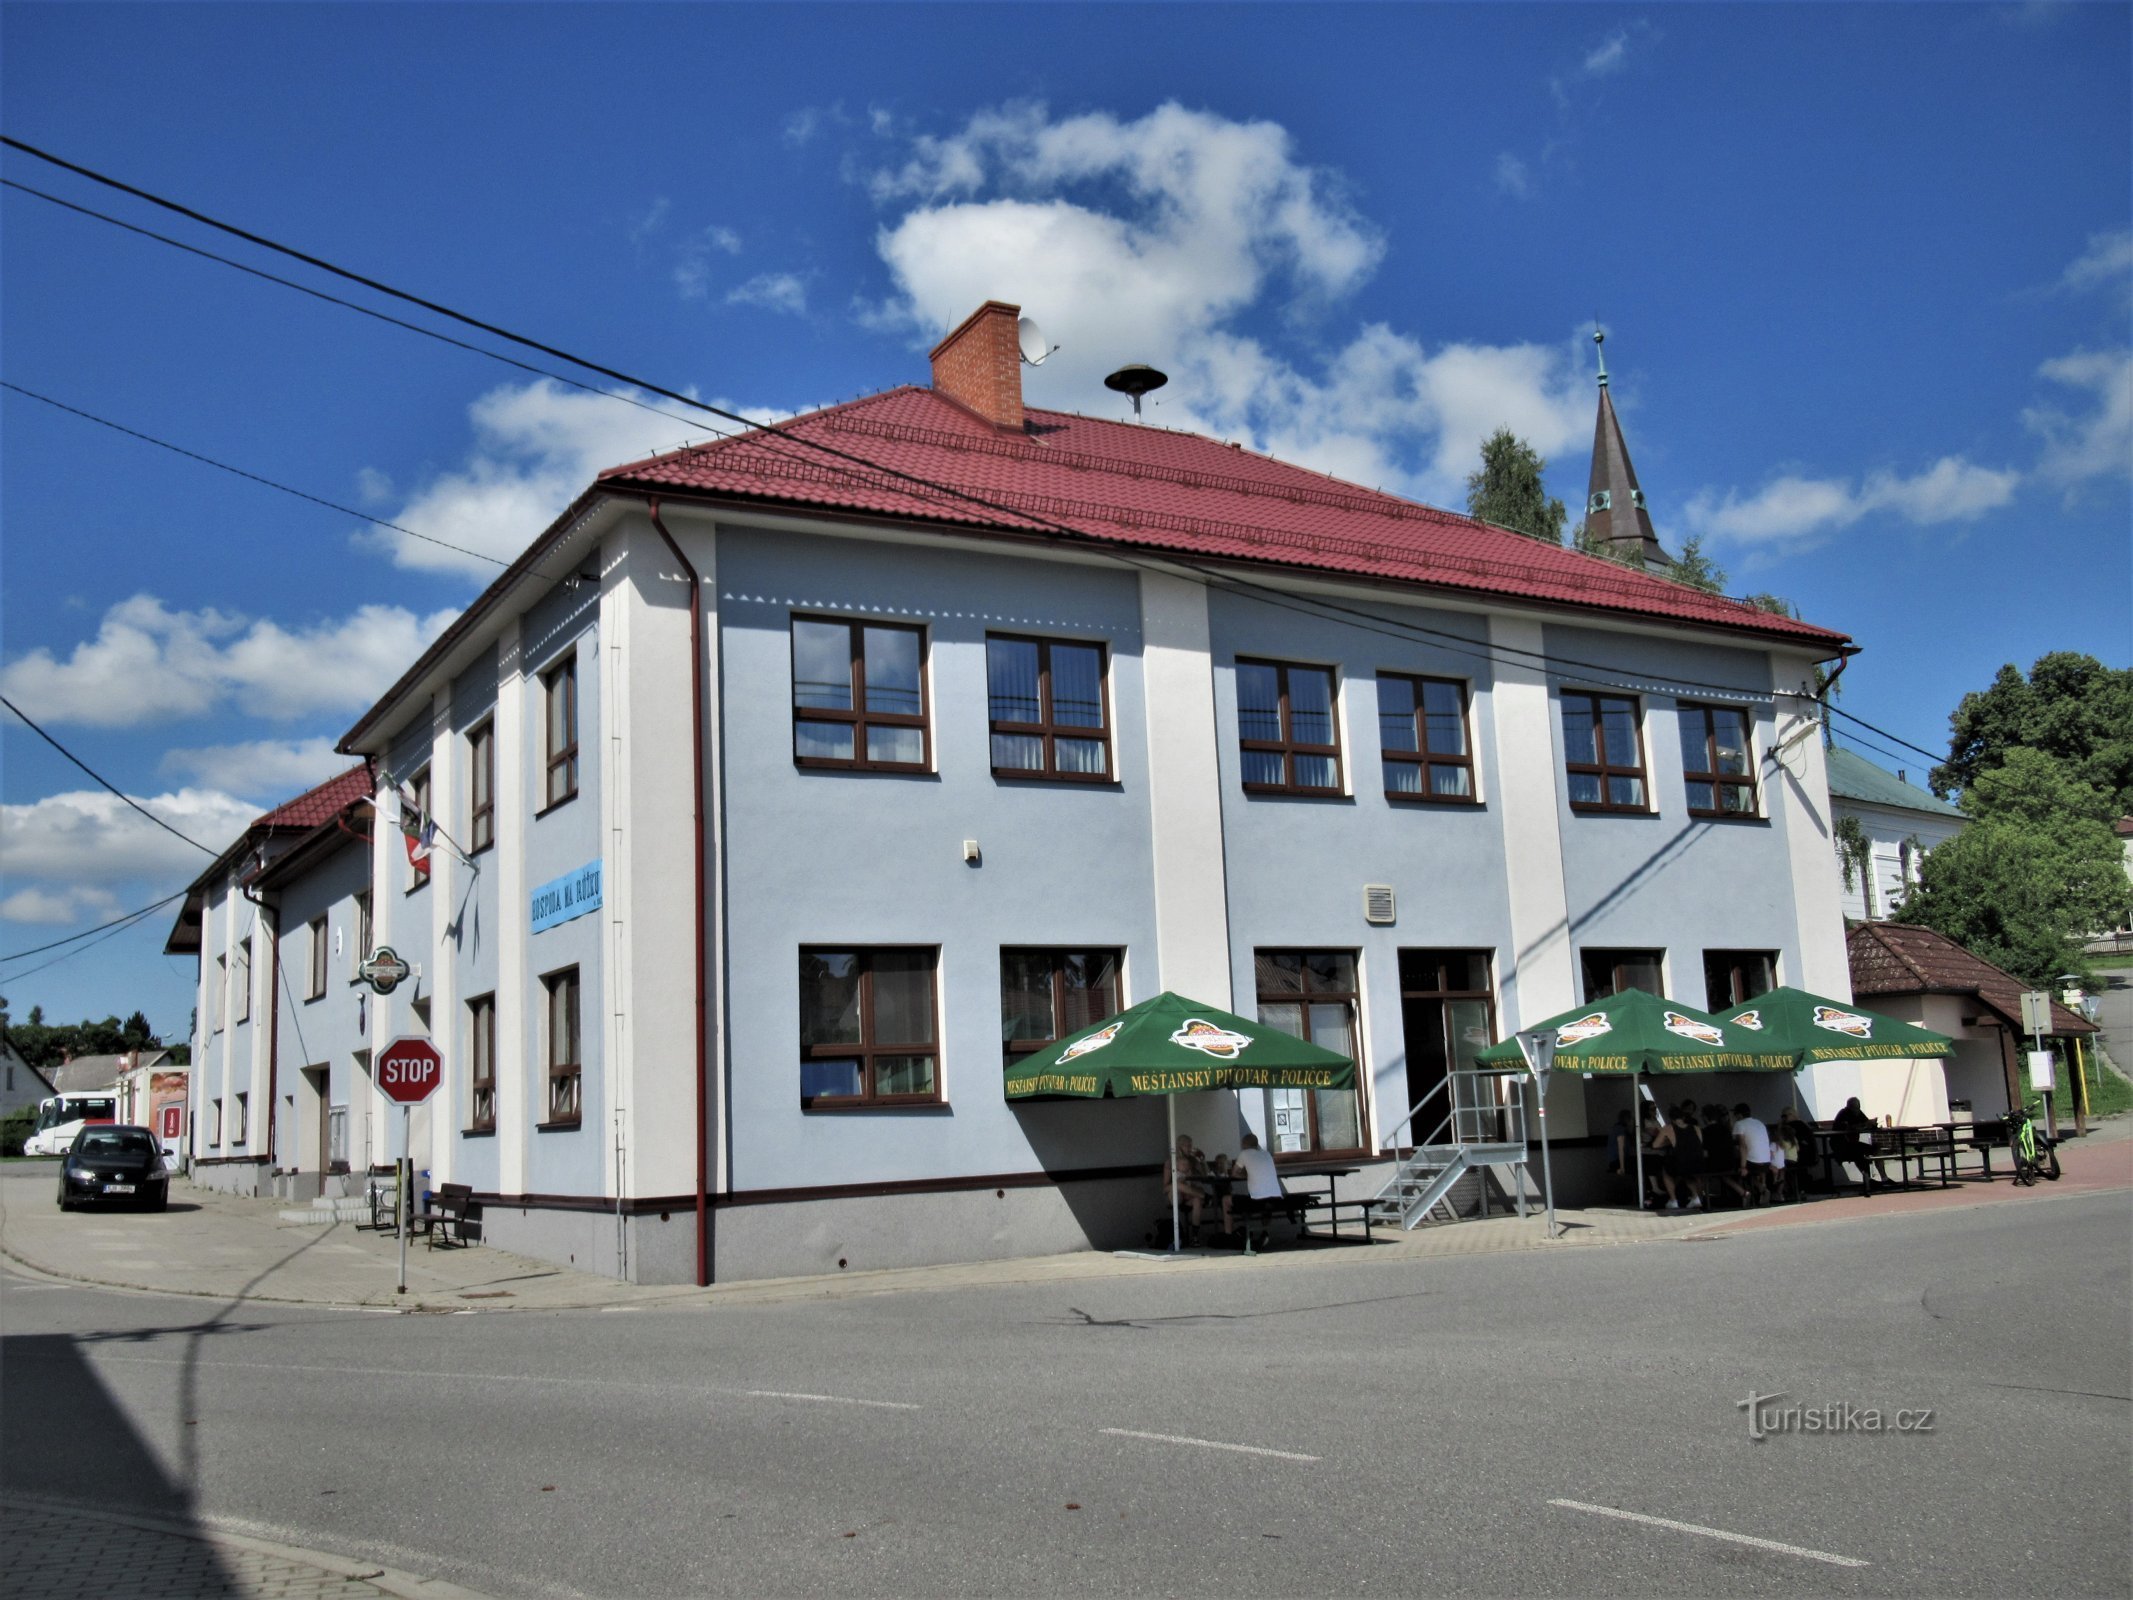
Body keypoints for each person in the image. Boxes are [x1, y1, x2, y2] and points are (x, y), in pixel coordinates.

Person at [1233, 1131, 1286, 1245]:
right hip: (1276, 1198)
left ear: (1245, 1144)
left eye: (1242, 1144)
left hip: (1257, 1200)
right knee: (1266, 1206)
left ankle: (1245, 1232)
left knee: (1232, 1201)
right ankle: (1264, 1231)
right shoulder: (1266, 1154)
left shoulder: (1244, 1154)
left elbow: (1234, 1173)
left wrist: (1246, 1175)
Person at [1164, 1134, 1214, 1241]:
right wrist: (1179, 1183)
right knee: (1177, 1185)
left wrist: (1202, 1160)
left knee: (1197, 1200)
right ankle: (1206, 1196)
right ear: (1180, 1146)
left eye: (1191, 1146)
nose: (1190, 1148)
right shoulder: (1171, 1162)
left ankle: (1195, 1236)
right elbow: (1165, 1187)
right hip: (1175, 1195)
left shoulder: (1193, 1160)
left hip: (1191, 1194)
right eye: (1187, 1146)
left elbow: (1206, 1175)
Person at [1831, 1096, 1876, 1194]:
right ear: (1849, 1107)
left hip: (1853, 1144)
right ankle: (1868, 1181)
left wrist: (1872, 1123)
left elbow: (1866, 1122)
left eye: (1858, 1107)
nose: (1857, 1110)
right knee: (1859, 1153)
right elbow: (1846, 1128)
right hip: (1841, 1146)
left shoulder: (1859, 1113)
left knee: (1875, 1148)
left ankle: (1882, 1178)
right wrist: (1862, 1125)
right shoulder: (1843, 1114)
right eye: (1855, 1108)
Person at [1733, 1103, 1773, 1205]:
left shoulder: (1739, 1124)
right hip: (1766, 1161)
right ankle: (1762, 1189)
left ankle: (1744, 1193)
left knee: (1733, 1170)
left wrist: (1743, 1166)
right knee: (1753, 1173)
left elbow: (1742, 1146)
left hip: (1752, 1162)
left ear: (1739, 1115)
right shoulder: (1760, 1123)